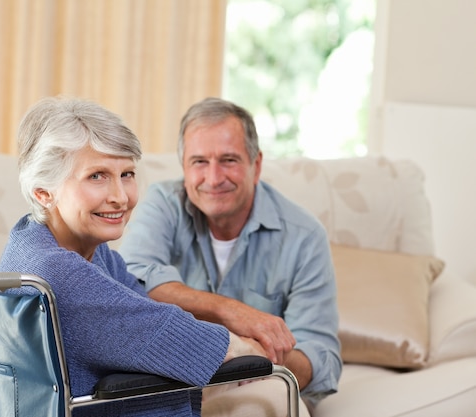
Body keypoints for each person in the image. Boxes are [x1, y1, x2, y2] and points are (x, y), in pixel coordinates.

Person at [0, 96, 266, 417]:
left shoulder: (43, 242)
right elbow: (179, 338)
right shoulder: (58, 271)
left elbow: (149, 313)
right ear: (43, 192)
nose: (120, 197)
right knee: (271, 386)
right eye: (96, 176)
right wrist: (248, 347)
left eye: (126, 174)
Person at [119, 97, 342, 414]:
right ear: (183, 167)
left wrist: (252, 355)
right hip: (175, 381)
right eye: (199, 162)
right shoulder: (161, 203)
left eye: (229, 160)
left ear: (257, 165)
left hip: (259, 385)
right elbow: (128, 284)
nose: (213, 178)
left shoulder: (305, 236)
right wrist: (231, 313)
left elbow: (320, 358)